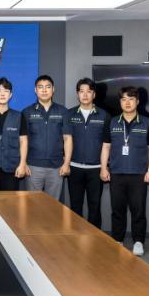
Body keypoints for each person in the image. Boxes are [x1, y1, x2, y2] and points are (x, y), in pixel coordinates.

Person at [100, 86, 149, 257]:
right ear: (120, 102)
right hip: (116, 173)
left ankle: (138, 241)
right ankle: (118, 239)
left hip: (139, 174)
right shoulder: (112, 122)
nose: (127, 103)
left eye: (131, 99)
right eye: (124, 99)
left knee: (138, 211)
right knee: (117, 210)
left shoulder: (147, 122)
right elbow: (106, 147)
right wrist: (103, 168)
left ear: (137, 102)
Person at [64, 78, 111, 228]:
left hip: (96, 169)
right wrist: (66, 163)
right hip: (74, 168)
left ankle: (95, 238)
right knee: (75, 206)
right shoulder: (69, 114)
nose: (85, 95)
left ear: (94, 94)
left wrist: (104, 167)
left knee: (94, 207)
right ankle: (75, 237)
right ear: (77, 94)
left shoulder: (104, 116)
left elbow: (107, 144)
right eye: (81, 91)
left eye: (89, 91)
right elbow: (66, 139)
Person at [22, 75, 72, 200]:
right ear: (35, 90)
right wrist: (23, 163)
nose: (44, 90)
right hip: (33, 166)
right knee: (33, 204)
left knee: (53, 206)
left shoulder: (63, 111)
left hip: (56, 167)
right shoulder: (27, 112)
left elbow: (67, 139)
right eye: (40, 87)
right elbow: (23, 140)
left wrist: (66, 163)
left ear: (53, 89)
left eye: (48, 87)